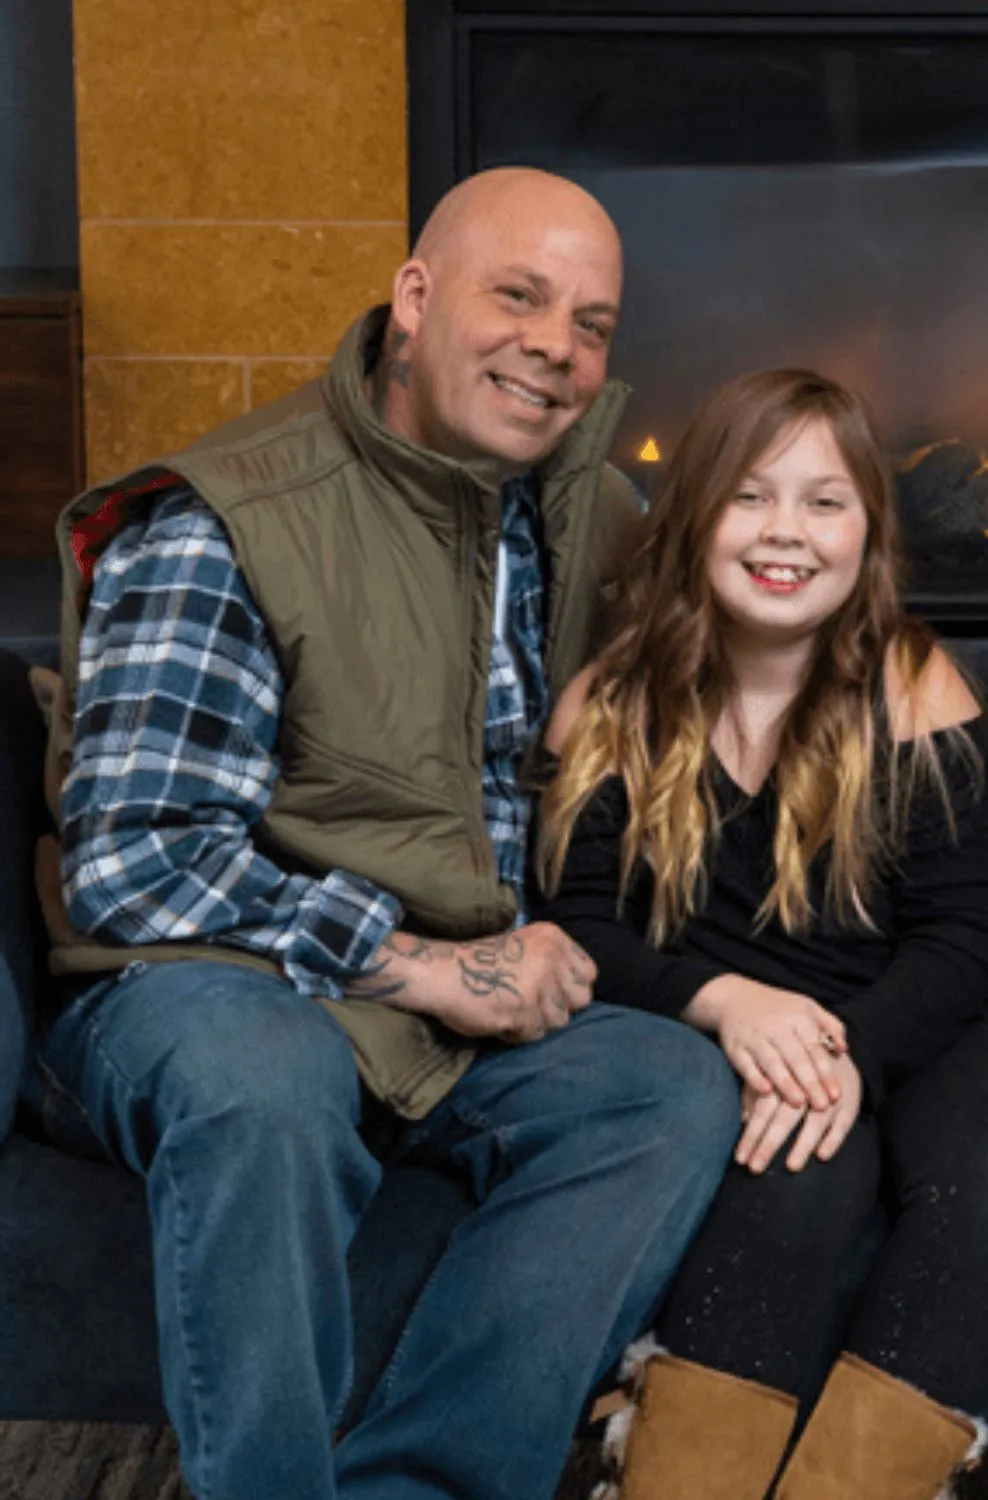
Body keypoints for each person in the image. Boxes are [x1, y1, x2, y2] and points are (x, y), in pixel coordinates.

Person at [31, 167, 739, 1500]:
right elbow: (133, 863)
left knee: (664, 1088)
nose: (555, 346)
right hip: (205, 990)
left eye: (590, 323)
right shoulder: (229, 520)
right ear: (413, 299)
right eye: (516, 296)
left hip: (451, 1012)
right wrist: (424, 967)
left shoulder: (587, 517)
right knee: (263, 1074)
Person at [535, 367, 988, 1500]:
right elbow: (576, 925)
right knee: (793, 1179)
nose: (787, 531)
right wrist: (724, 1003)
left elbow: (963, 938)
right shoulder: (613, 704)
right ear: (694, 516)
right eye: (750, 496)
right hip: (731, 1022)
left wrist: (848, 1054)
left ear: (868, 533)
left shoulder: (915, 686)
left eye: (825, 502)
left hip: (921, 1014)